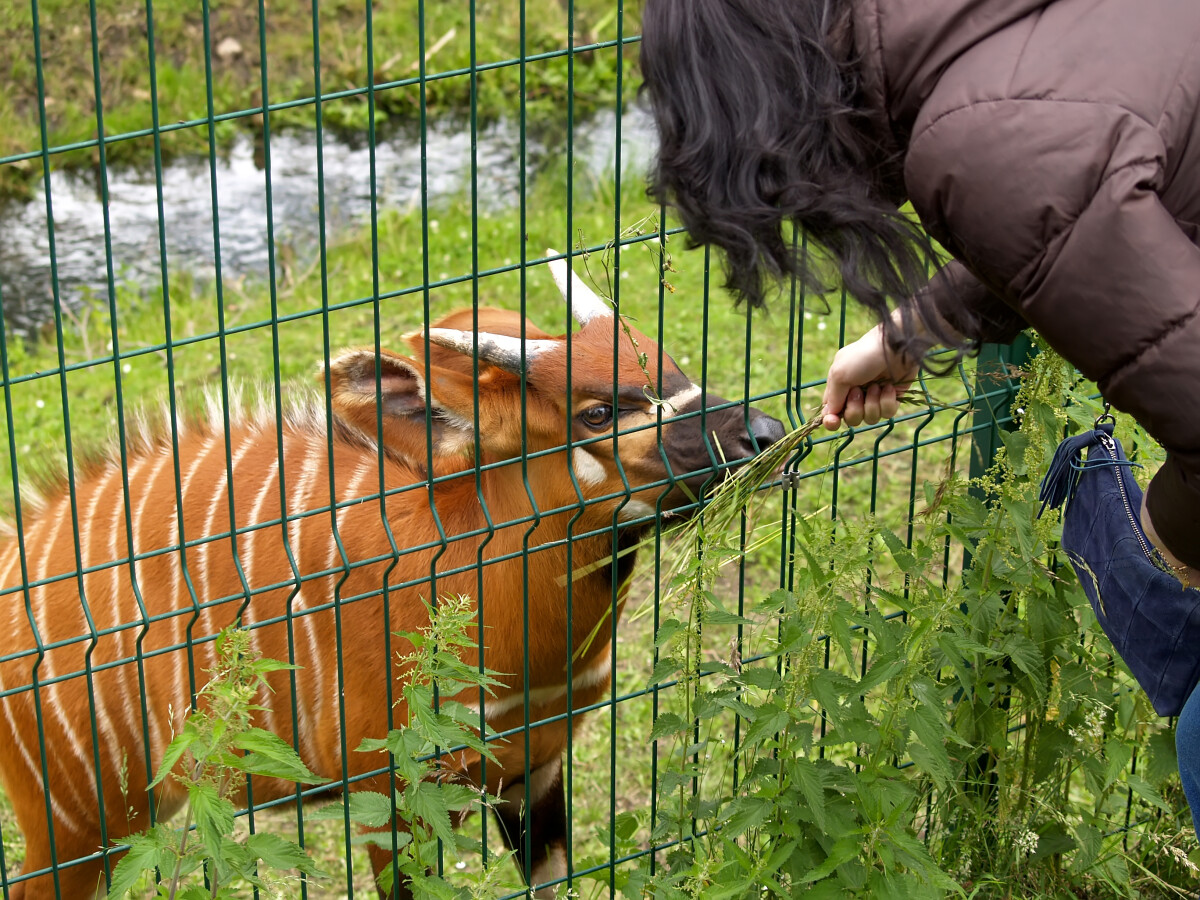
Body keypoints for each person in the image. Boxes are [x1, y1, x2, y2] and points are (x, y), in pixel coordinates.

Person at [639, 0, 1200, 833]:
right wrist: (913, 332)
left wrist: (1158, 553)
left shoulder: (977, 142)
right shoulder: (994, 38)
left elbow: (1034, 176)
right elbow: (1072, 186)